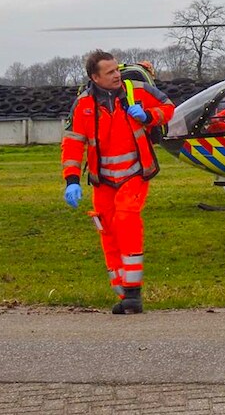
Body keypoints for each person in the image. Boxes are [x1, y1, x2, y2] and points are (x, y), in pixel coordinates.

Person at [61, 51, 175, 314]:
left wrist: (148, 116)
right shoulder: (83, 105)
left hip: (134, 173)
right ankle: (122, 290)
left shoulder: (137, 91)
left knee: (127, 219)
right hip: (102, 181)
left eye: (117, 70)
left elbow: (169, 109)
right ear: (95, 77)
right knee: (108, 231)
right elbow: (73, 143)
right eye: (110, 72)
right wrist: (71, 180)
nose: (117, 75)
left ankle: (134, 293)